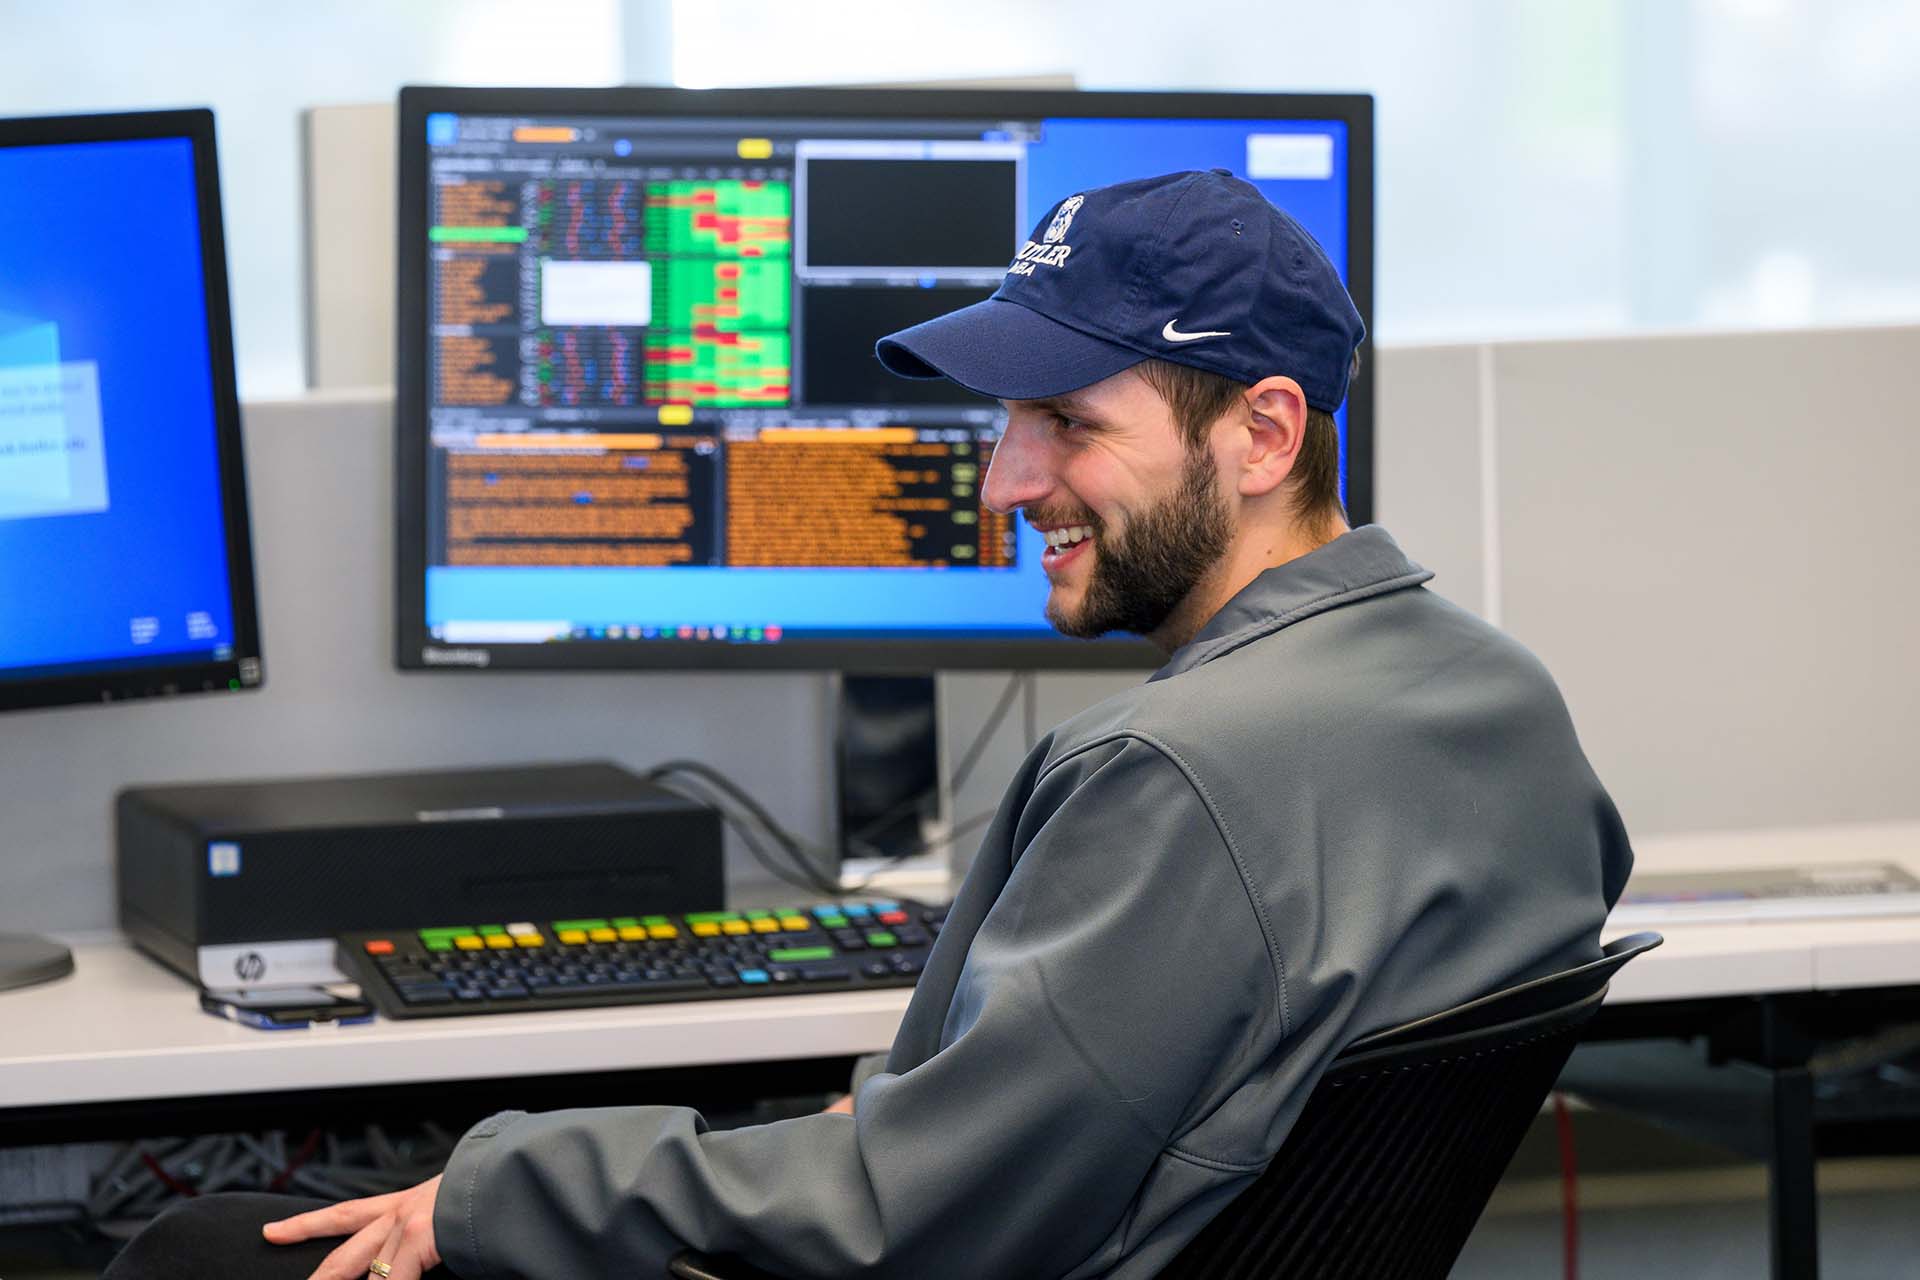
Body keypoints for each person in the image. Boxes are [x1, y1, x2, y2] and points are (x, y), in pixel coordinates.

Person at [105, 169, 1631, 1280]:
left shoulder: (1168, 772)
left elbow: (916, 1218)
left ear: (1264, 431)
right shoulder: (1503, 703)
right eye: (1010, 427)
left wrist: (502, 1183)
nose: (1004, 483)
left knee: (200, 1252)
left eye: (1073, 426)